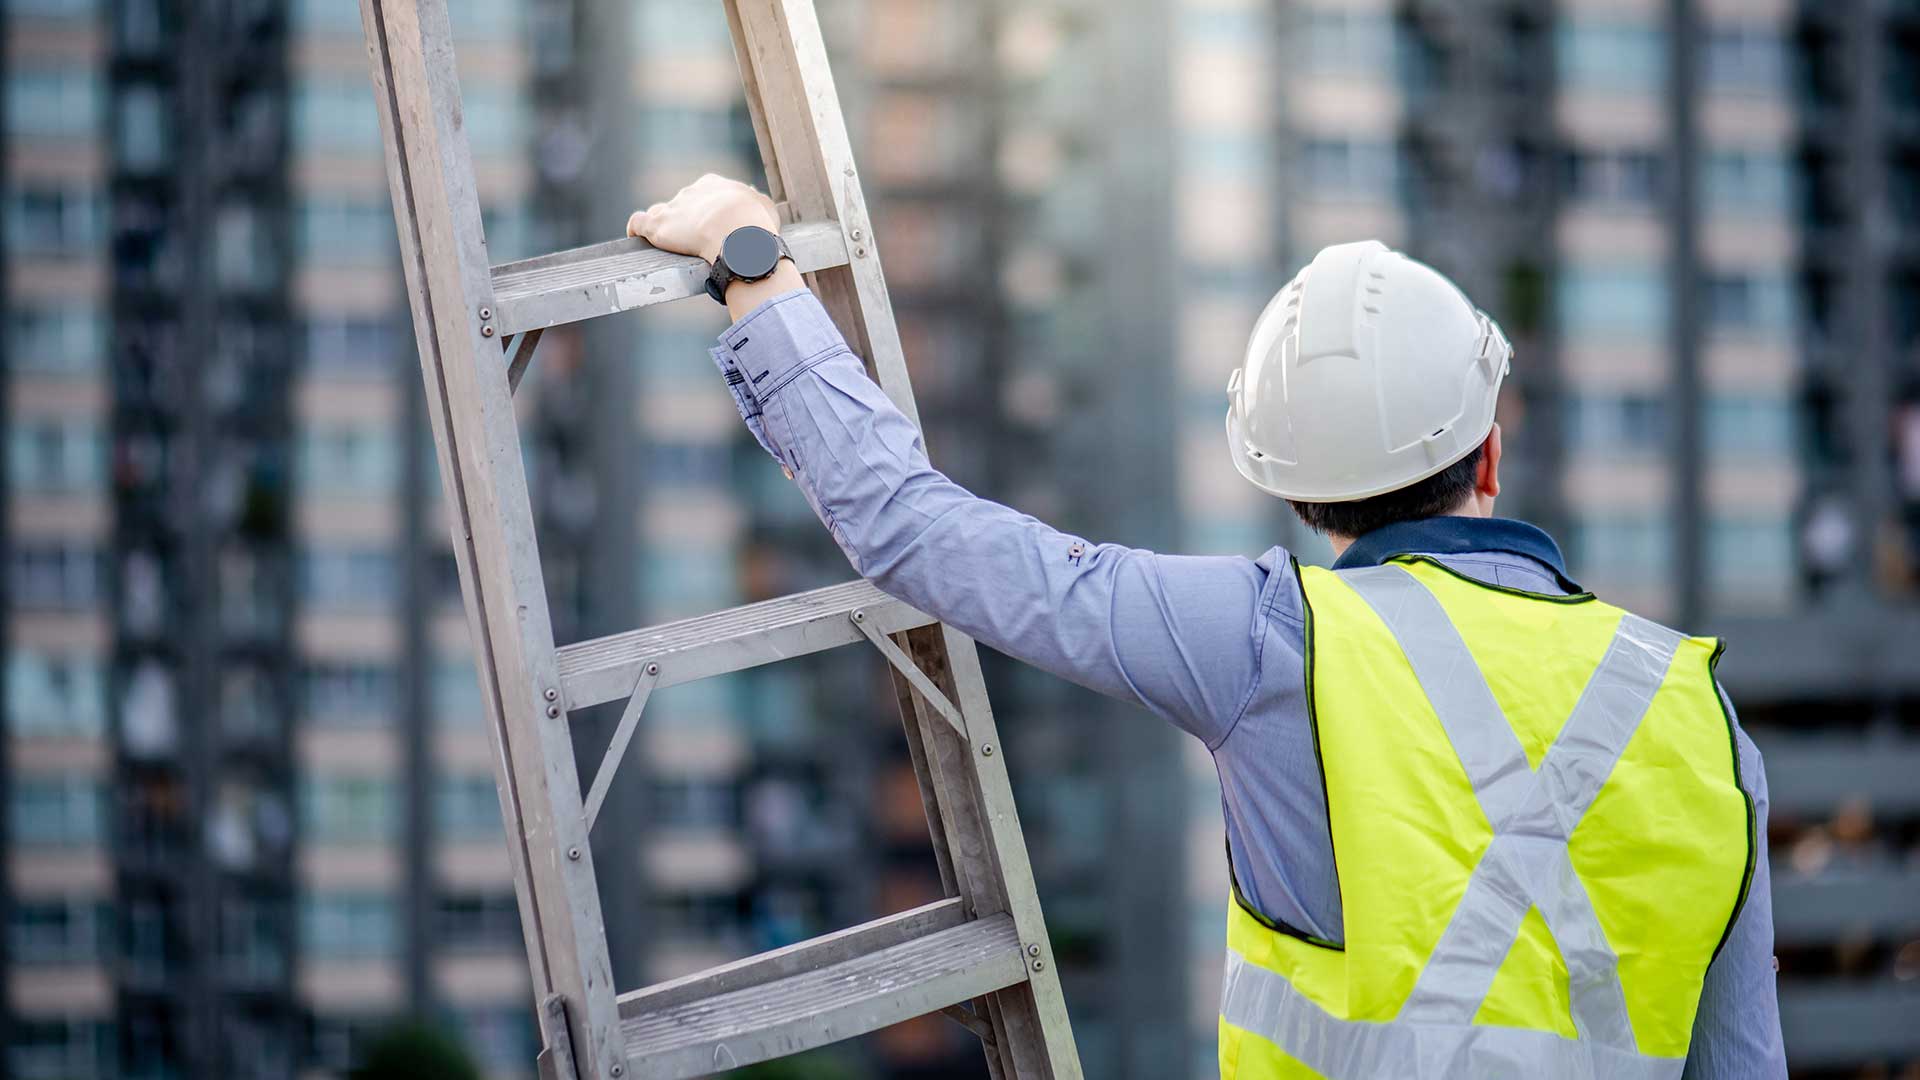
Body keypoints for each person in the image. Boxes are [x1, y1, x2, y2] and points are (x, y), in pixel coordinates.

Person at [626, 175, 1786, 1079]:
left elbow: (911, 530)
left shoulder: (1267, 639)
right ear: (1491, 449)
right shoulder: (1697, 709)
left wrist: (753, 257)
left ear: (1293, 491)